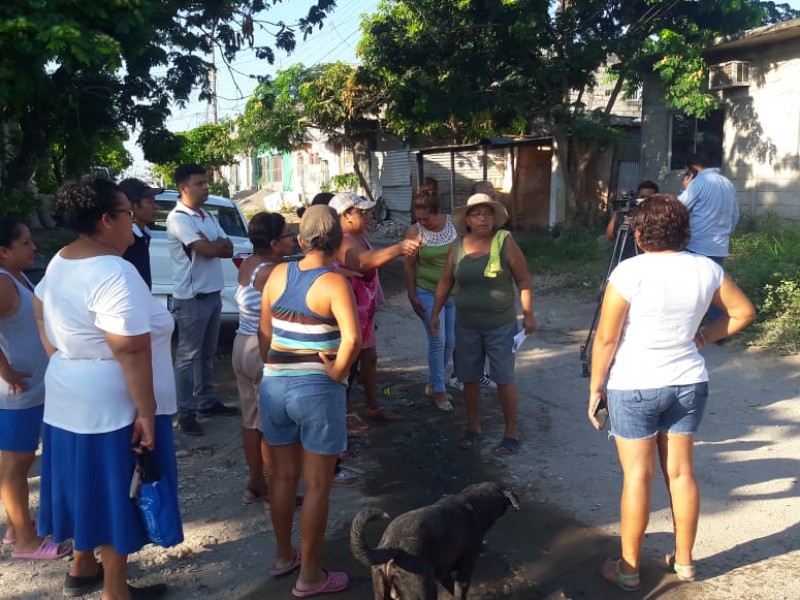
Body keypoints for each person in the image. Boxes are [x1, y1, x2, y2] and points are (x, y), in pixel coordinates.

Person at [587, 195, 755, 591]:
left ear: (640, 234)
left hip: (635, 384)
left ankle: (628, 570)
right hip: (688, 382)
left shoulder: (629, 273)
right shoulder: (706, 268)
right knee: (681, 474)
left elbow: (607, 339)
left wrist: (596, 386)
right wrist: (701, 338)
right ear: (685, 232)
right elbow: (743, 312)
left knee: (637, 477)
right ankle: (684, 562)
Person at [33, 177, 183, 599]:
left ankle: (83, 567)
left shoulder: (61, 259)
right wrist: (147, 412)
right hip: (112, 403)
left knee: (87, 484)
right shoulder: (114, 271)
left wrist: (65, 353)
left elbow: (40, 306)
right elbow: (131, 351)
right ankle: (116, 591)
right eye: (128, 216)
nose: (133, 226)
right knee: (116, 490)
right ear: (106, 220)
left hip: (69, 392)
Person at [258, 205, 360, 597]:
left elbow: (265, 333)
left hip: (274, 385)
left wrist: (273, 366)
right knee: (317, 485)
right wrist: (336, 374)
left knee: (281, 478)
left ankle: (286, 556)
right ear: (338, 243)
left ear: (300, 241)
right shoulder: (335, 283)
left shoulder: (277, 273)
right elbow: (350, 339)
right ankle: (311, 576)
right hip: (316, 389)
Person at [431, 193, 536, 456]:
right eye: (477, 214)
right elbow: (445, 281)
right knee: (469, 377)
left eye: (488, 214)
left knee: (504, 378)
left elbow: (523, 281)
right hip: (466, 324)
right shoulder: (457, 247)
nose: (483, 218)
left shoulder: (504, 242)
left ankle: (511, 433)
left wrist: (528, 312)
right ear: (467, 219)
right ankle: (473, 428)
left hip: (500, 324)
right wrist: (435, 313)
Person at [0, 218, 62, 560]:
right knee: (16, 463)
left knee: (15, 462)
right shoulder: (3, 283)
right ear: (3, 251)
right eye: (24, 242)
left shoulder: (16, 276)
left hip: (31, 388)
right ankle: (25, 541)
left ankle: (16, 525)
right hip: (16, 394)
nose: (33, 246)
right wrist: (6, 370)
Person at [330, 192, 420, 423]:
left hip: (364, 313)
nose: (369, 215)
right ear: (345, 216)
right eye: (362, 212)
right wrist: (398, 249)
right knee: (347, 364)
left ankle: (371, 407)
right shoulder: (344, 240)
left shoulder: (359, 235)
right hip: (348, 314)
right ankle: (342, 414)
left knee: (368, 359)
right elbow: (362, 262)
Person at [167, 163, 239, 437]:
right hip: (192, 298)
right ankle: (185, 412)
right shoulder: (179, 218)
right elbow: (209, 250)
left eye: (206, 182)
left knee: (206, 353)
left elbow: (227, 246)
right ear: (183, 188)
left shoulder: (206, 215)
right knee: (187, 356)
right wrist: (213, 246)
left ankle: (207, 401)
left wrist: (214, 246)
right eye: (200, 183)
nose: (206, 187)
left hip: (212, 294)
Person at [232, 212, 294, 504]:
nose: (292, 240)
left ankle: (254, 485)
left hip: (241, 345)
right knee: (270, 424)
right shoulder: (272, 271)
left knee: (250, 420)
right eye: (287, 235)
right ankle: (276, 491)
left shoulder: (248, 263)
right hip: (261, 347)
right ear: (273, 242)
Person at [404, 189, 458, 412]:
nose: (422, 222)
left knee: (451, 342)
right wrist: (411, 294)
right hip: (426, 291)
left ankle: (433, 383)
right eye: (418, 218)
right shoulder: (415, 232)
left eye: (426, 218)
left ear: (438, 213)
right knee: (438, 341)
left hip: (453, 293)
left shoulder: (454, 225)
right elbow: (409, 265)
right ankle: (439, 389)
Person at [119, 178, 164, 289]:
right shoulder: (124, 239)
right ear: (132, 205)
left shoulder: (144, 234)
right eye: (149, 202)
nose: (155, 207)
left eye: (154, 201)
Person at [605, 181, 659, 262]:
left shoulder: (660, 216)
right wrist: (619, 212)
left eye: (649, 198)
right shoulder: (630, 213)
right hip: (624, 259)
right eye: (642, 197)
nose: (644, 201)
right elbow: (610, 236)